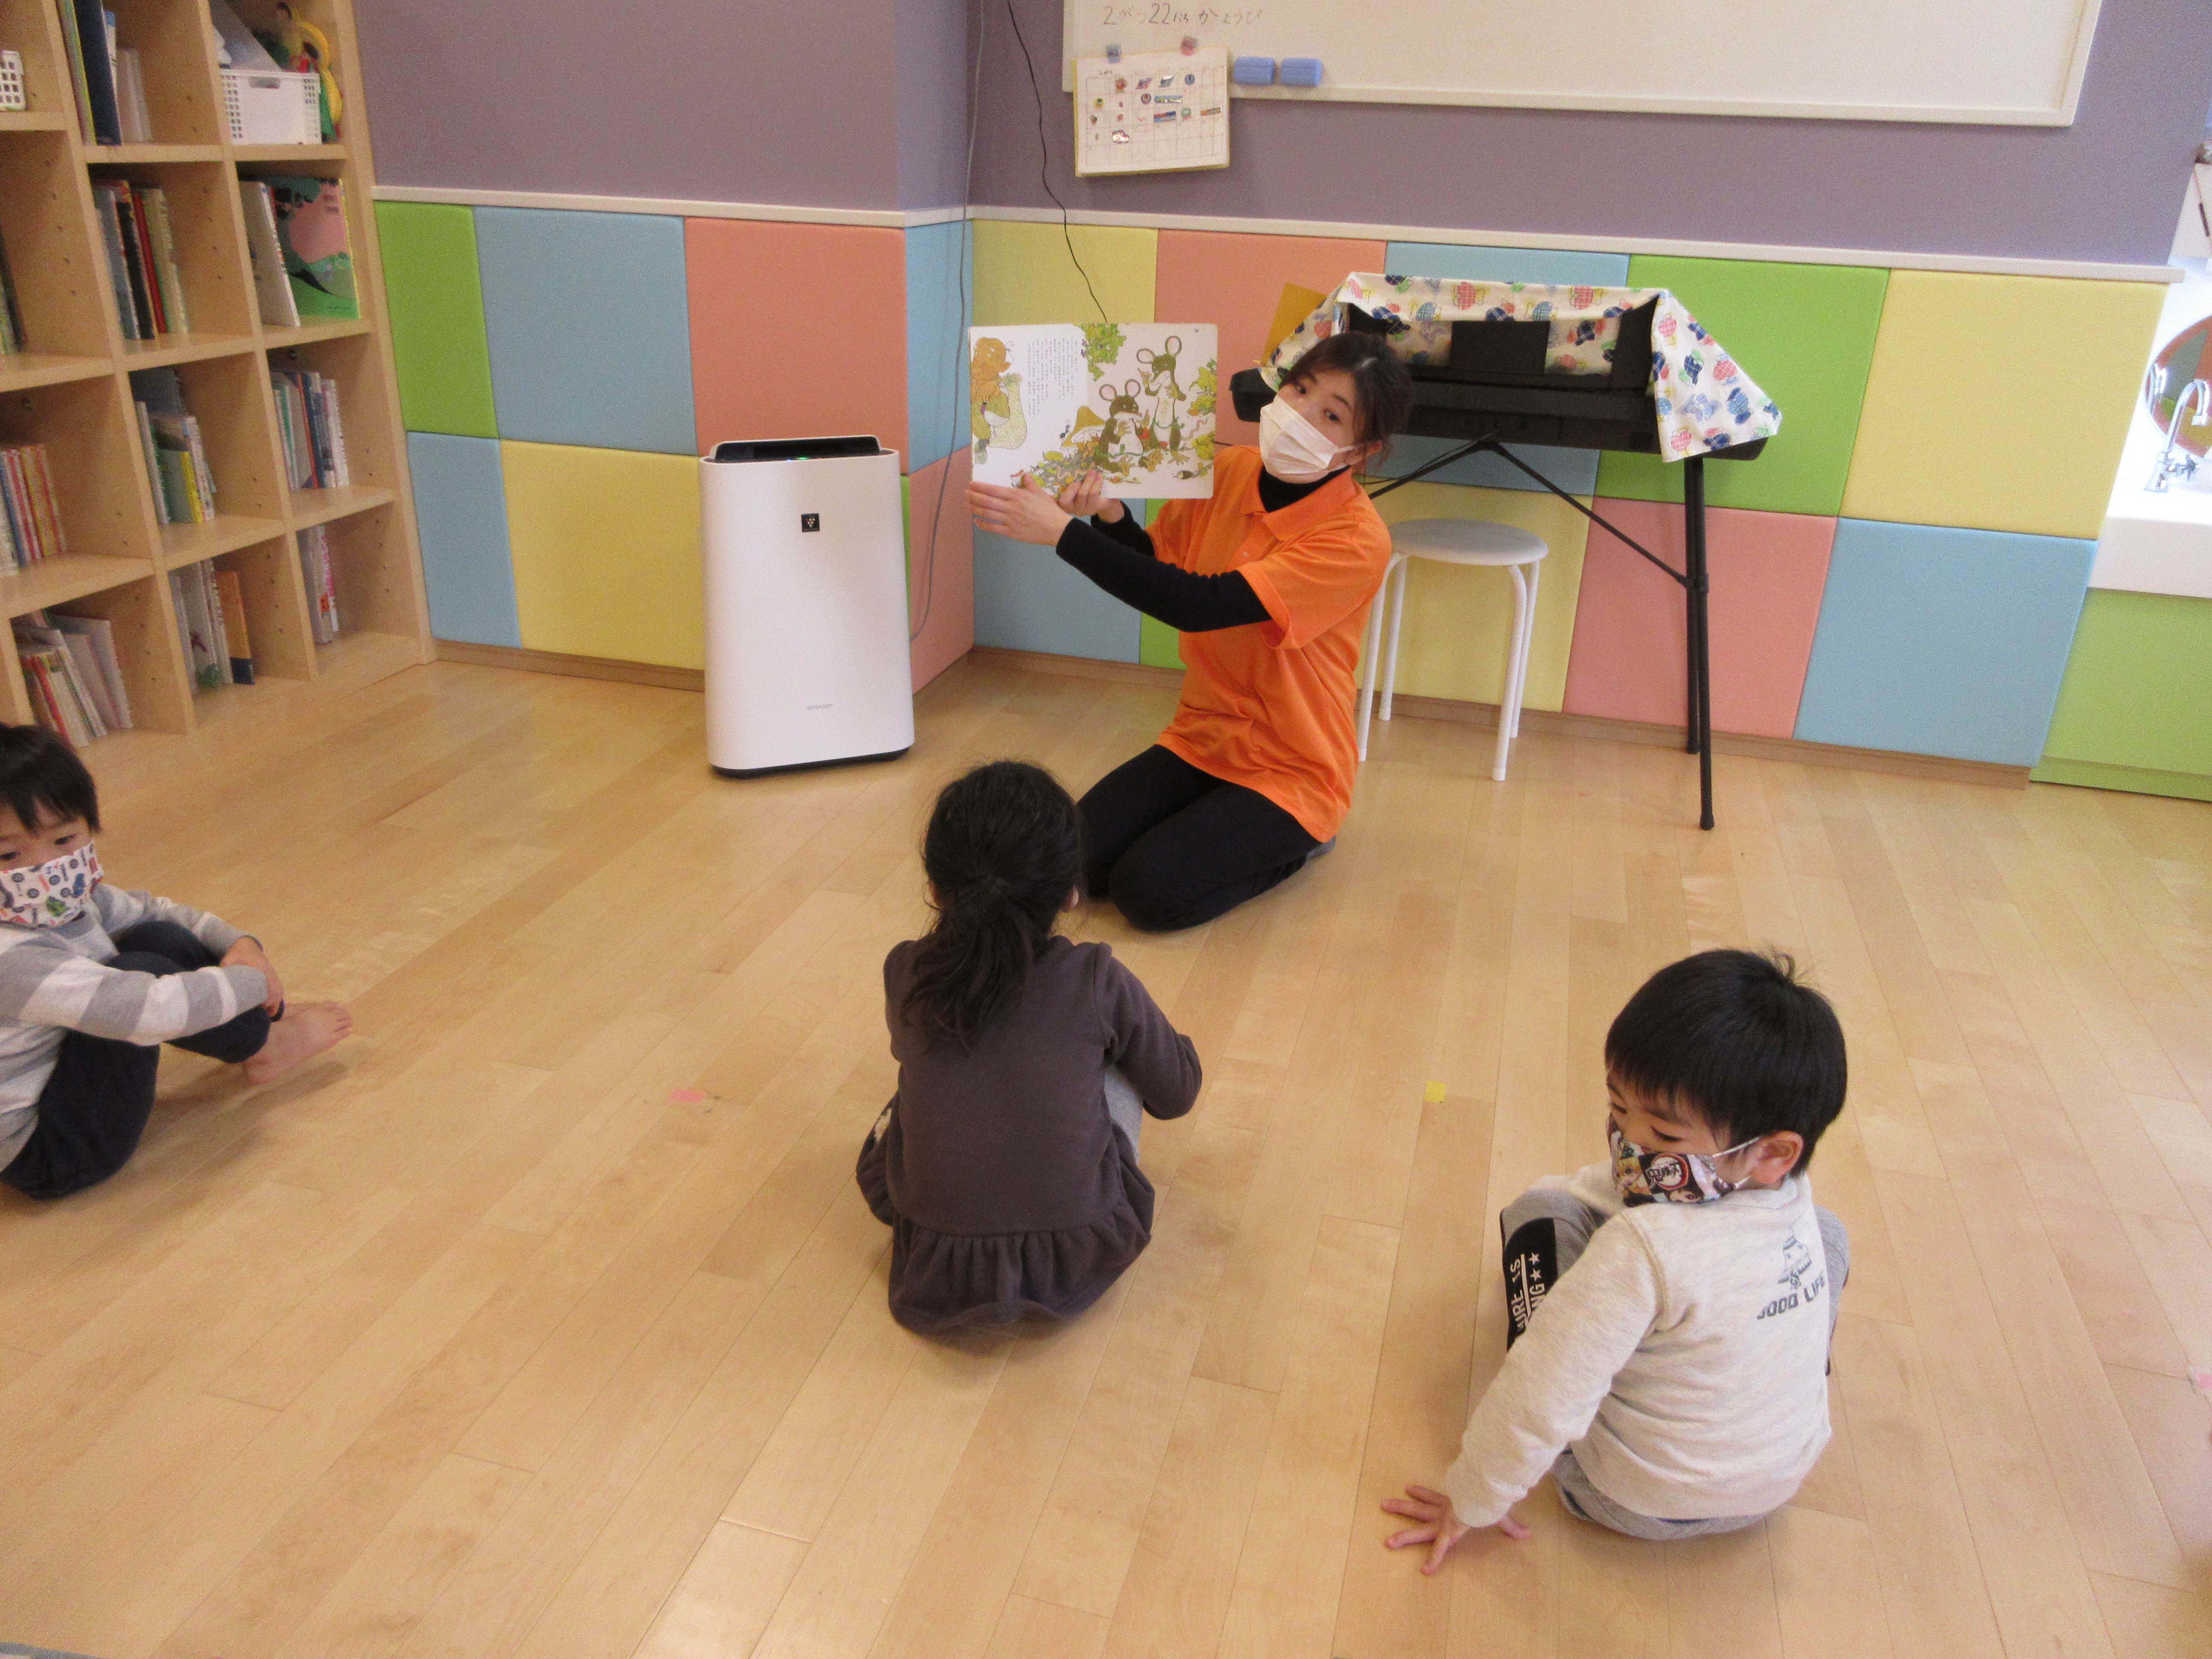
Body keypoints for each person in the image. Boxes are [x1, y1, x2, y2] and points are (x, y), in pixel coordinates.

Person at [1384, 949, 1852, 1563]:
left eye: (1664, 1135)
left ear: (1770, 1153)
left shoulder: (1639, 1250)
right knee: (1827, 1233)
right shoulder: (1791, 1192)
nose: (1628, 1143)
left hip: (1626, 1500)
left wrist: (1473, 1499)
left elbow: (1540, 1396)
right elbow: (1612, 1189)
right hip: (1773, 1489)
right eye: (1617, 1110)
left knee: (1539, 1215)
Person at [968, 331, 1414, 931]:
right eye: (1300, 389)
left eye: (1332, 415)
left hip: (1293, 767)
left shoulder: (1356, 539)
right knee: (1070, 863)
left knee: (1147, 894)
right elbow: (1158, 563)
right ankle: (1215, 822)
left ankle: (1302, 844)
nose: (1301, 413)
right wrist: (1108, 516)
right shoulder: (1230, 469)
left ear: (1364, 451)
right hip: (1203, 736)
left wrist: (1064, 537)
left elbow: (1199, 605)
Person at [856, 759, 1202, 1332]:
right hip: (1077, 1249)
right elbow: (1177, 1091)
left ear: (936, 890)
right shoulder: (1095, 979)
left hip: (937, 1257)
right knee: (1113, 1061)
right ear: (1070, 895)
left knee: (918, 1084)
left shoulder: (906, 970)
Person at [0, 725, 352, 1201]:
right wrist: (252, 982)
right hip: (52, 1153)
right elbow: (148, 1011)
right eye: (9, 854)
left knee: (155, 937)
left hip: (60, 1082)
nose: (44, 868)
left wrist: (242, 944)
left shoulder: (68, 901)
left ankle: (261, 1032)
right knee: (137, 977)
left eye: (64, 839)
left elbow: (154, 911)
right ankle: (266, 1042)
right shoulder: (11, 957)